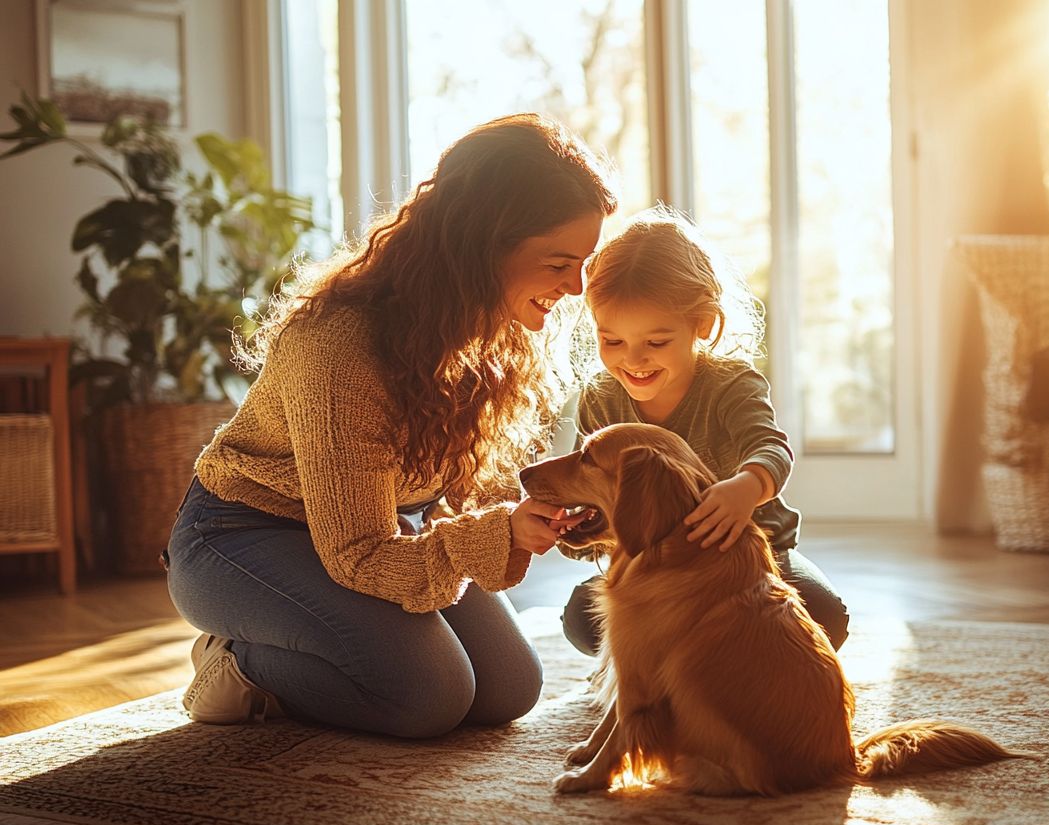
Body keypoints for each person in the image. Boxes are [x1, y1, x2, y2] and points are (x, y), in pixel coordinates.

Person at [165, 113, 618, 738]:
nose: (574, 287)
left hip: (375, 531)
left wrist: (517, 525)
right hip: (242, 535)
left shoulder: (493, 333)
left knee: (510, 687)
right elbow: (357, 554)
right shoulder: (338, 344)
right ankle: (238, 661)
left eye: (583, 263)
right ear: (482, 245)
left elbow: (455, 499)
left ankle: (315, 641)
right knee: (428, 696)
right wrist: (494, 536)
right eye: (559, 263)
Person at [553, 205, 850, 656]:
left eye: (656, 342)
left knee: (823, 617)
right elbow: (592, 489)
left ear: (702, 325)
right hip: (653, 566)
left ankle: (711, 666)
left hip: (750, 560)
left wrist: (745, 489)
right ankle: (685, 664)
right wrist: (573, 521)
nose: (633, 359)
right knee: (583, 619)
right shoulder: (602, 398)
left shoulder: (731, 384)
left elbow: (770, 447)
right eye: (612, 341)